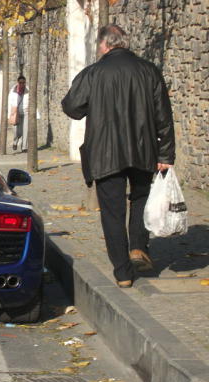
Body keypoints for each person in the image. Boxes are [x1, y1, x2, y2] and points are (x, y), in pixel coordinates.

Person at [61, 24, 175, 288]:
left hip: (105, 153)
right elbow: (164, 117)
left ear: (103, 45)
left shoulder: (93, 73)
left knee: (112, 211)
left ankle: (123, 272)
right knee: (141, 198)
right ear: (124, 42)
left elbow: (72, 108)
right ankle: (138, 246)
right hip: (143, 150)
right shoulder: (149, 71)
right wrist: (166, 153)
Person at [8, 75, 28, 152]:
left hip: (26, 112)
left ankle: (24, 147)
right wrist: (9, 115)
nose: (22, 84)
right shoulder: (13, 91)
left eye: (23, 82)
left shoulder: (28, 90)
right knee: (17, 131)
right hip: (16, 112)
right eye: (20, 82)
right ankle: (15, 141)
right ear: (18, 82)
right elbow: (9, 102)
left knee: (25, 130)